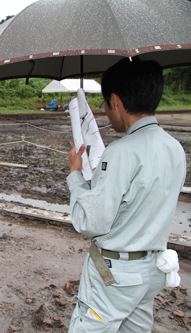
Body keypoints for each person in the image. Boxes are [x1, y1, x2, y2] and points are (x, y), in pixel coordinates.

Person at [67, 58, 186, 332]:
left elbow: (91, 222)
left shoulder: (122, 151)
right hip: (151, 270)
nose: (106, 112)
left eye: (105, 105)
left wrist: (76, 175)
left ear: (116, 101)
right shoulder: (174, 148)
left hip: (116, 276)